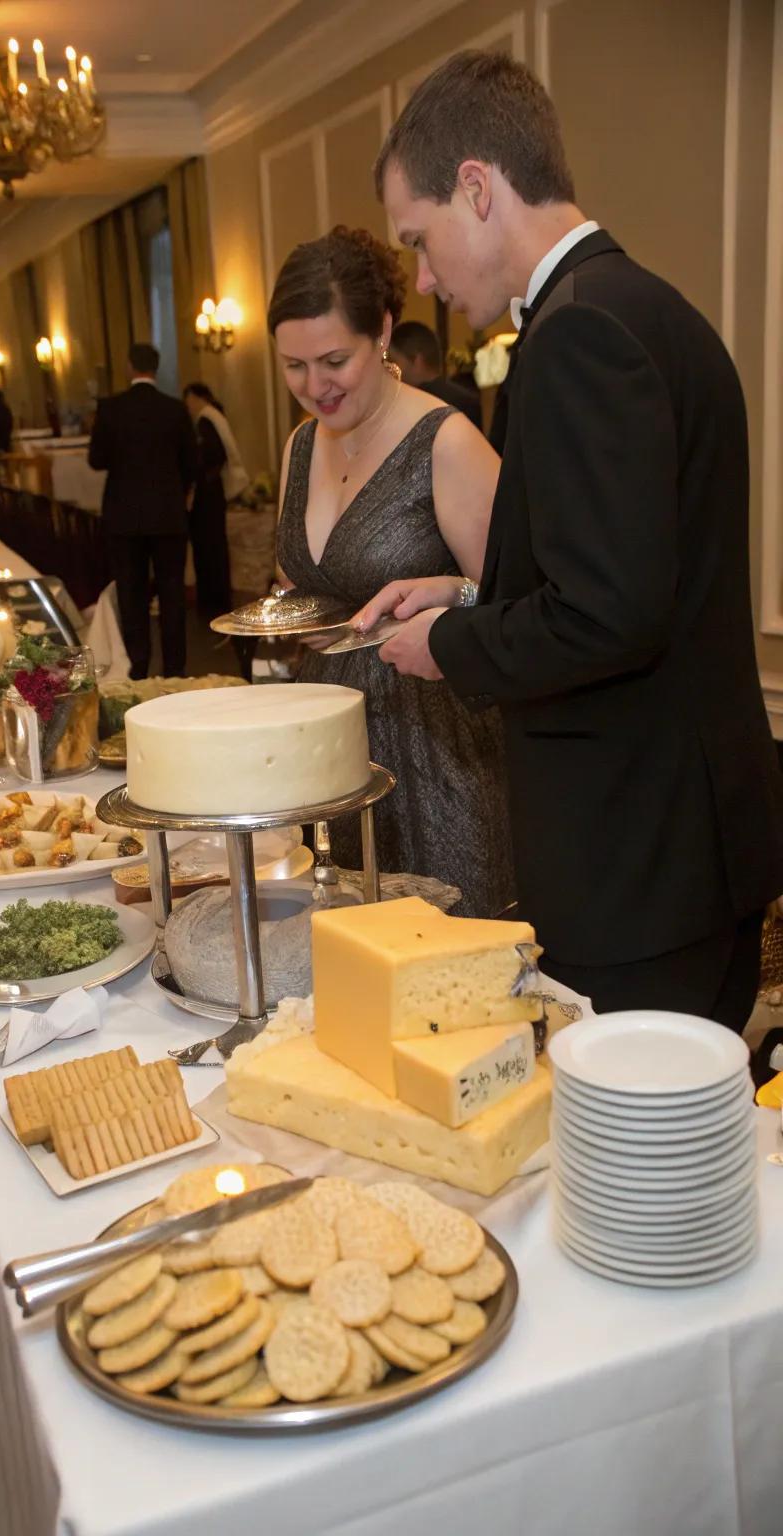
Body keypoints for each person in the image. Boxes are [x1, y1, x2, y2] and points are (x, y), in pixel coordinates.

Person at [362, 48, 783, 1028]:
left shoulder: (577, 335)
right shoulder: (641, 307)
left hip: (635, 867)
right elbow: (631, 569)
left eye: (417, 240)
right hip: (679, 848)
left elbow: (609, 616)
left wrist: (450, 647)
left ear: (477, 188)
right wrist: (465, 594)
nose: (421, 277)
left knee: (632, 1168)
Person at [270, 225, 513, 917]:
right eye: (293, 366)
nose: (314, 386)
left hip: (436, 749)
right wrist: (299, 609)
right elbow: (311, 580)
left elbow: (518, 602)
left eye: (333, 360)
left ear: (381, 331)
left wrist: (451, 594)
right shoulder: (299, 445)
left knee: (443, 964)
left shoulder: (447, 441)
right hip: (329, 742)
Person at [89, 343, 197, 678]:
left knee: (131, 594)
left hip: (124, 517)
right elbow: (192, 463)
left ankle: (137, 667)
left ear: (128, 366)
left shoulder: (110, 409)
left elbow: (97, 460)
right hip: (167, 515)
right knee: (171, 593)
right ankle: (175, 669)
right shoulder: (175, 409)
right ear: (156, 367)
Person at [183, 383, 238, 619]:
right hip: (213, 491)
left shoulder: (206, 420)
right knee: (214, 545)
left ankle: (213, 600)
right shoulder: (214, 416)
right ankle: (217, 597)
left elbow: (212, 456)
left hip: (207, 494)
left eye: (189, 400)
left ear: (197, 398)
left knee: (209, 547)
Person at [389, 319, 482, 428]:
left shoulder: (412, 404)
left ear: (417, 360)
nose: (391, 369)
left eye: (394, 362)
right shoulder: (469, 402)